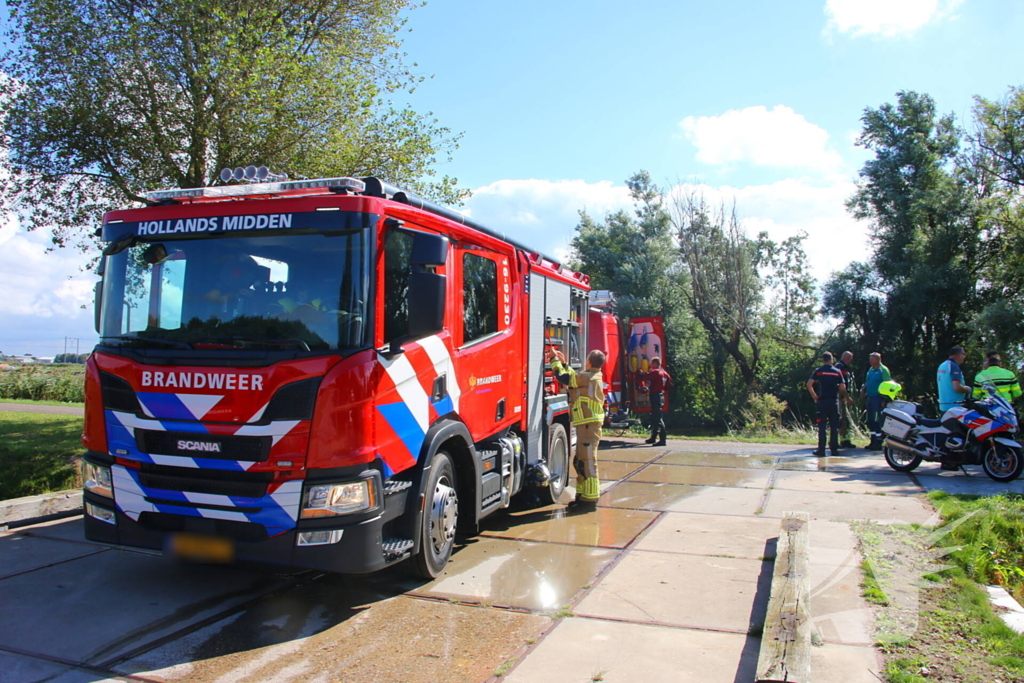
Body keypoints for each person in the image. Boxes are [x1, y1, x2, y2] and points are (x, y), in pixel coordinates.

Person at [548, 348, 606, 511]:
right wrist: (564, 363)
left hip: (588, 425)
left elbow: (566, 378)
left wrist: (554, 360)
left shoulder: (588, 377)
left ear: (588, 362)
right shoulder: (592, 375)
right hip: (587, 425)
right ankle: (582, 496)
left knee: (587, 462)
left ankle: (589, 500)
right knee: (580, 461)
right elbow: (575, 378)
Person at [807, 351, 849, 457]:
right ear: (832, 360)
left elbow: (809, 384)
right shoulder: (837, 371)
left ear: (822, 360)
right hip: (833, 401)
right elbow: (842, 387)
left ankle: (821, 450)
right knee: (834, 426)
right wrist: (844, 396)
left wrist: (814, 396)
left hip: (822, 401)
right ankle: (834, 450)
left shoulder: (819, 371)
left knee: (822, 426)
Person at [861, 352, 892, 450]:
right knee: (870, 420)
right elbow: (867, 381)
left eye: (872, 359)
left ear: (878, 359)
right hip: (870, 397)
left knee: (877, 420)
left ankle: (879, 442)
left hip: (878, 398)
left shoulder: (883, 370)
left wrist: (884, 399)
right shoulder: (870, 370)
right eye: (870, 359)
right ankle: (872, 440)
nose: (870, 361)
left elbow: (888, 385)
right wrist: (863, 389)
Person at [643, 356, 673, 447]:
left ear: (655, 363)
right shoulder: (665, 373)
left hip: (655, 395)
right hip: (661, 395)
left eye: (652, 363)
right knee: (655, 417)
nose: (650, 365)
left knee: (657, 418)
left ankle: (662, 439)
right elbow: (669, 386)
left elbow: (645, 377)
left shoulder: (655, 372)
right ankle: (653, 437)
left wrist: (639, 374)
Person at [937, 346, 971, 413]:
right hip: (955, 407)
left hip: (944, 406)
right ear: (959, 355)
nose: (964, 357)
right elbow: (957, 387)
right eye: (964, 354)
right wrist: (967, 389)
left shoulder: (942, 365)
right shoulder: (954, 366)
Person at [835, 351, 856, 449]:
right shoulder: (840, 367)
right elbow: (841, 386)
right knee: (839, 419)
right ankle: (839, 441)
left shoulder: (841, 366)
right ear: (847, 358)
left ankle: (845, 440)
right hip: (840, 396)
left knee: (844, 420)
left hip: (841, 396)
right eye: (850, 358)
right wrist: (847, 397)